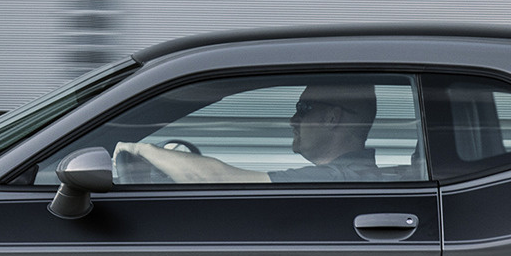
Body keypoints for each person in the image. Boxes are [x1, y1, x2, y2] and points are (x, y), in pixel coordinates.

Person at [112, 80, 386, 184]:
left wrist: (139, 149)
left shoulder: (335, 180)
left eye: (303, 108)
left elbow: (216, 180)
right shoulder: (355, 177)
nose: (292, 120)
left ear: (331, 118)